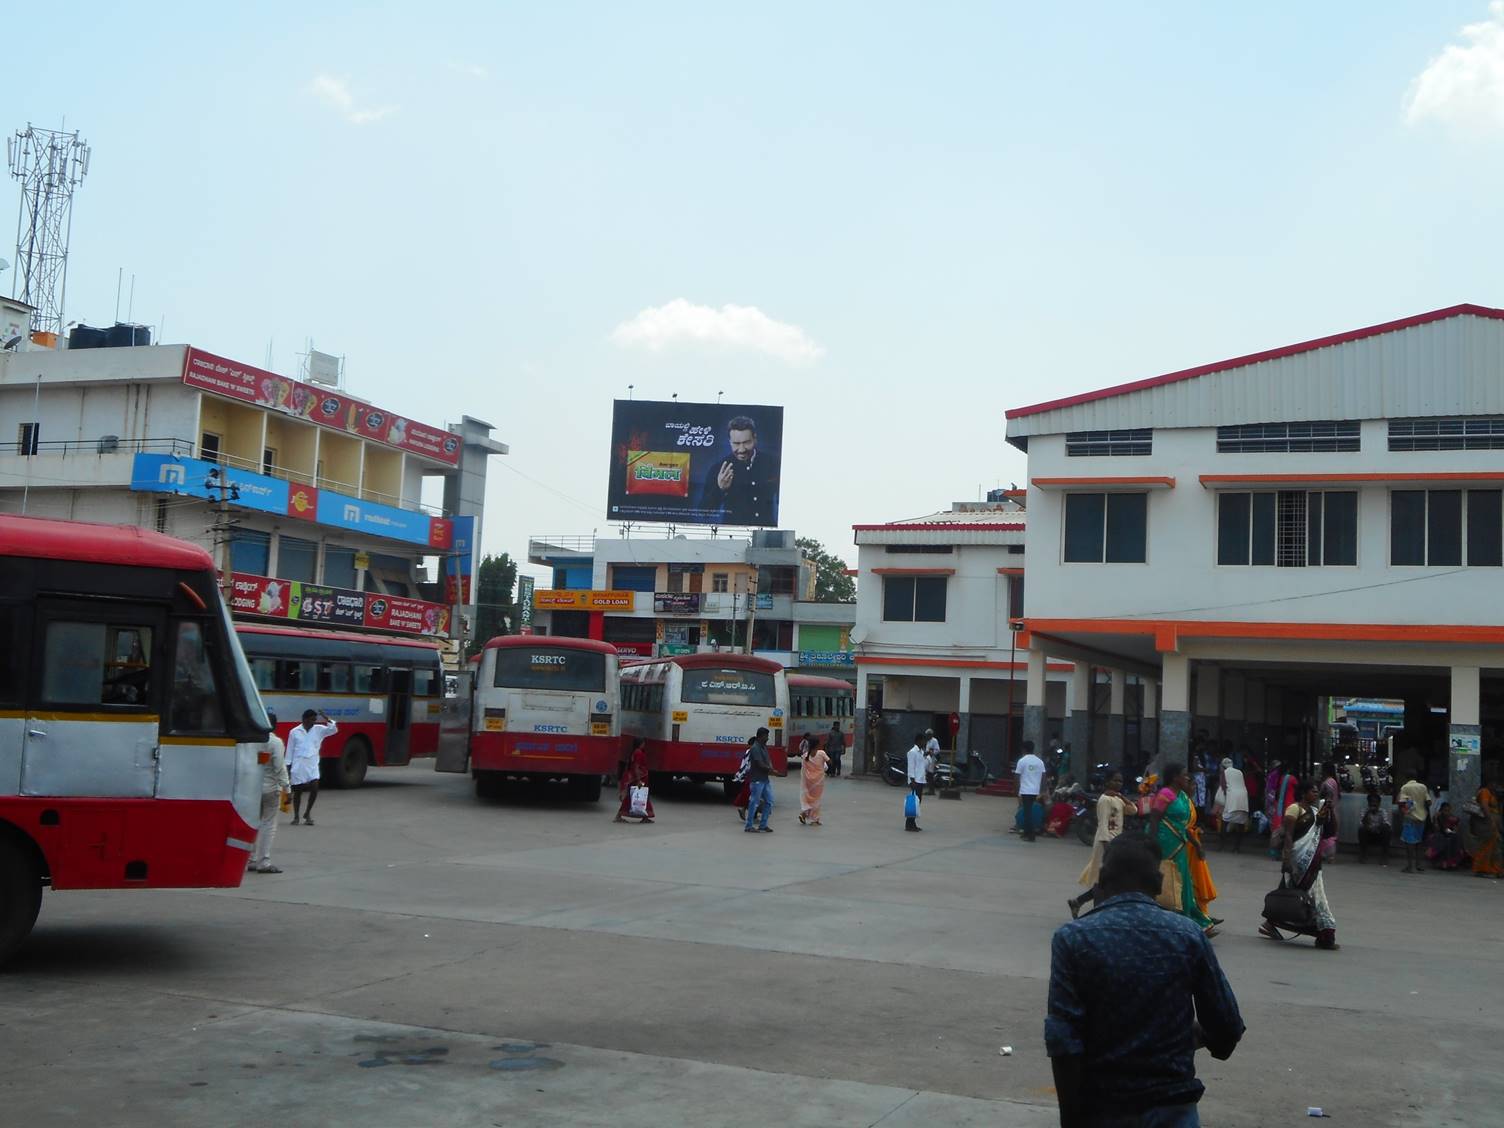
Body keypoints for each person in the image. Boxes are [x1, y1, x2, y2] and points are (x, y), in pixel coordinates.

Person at [1046, 836, 1245, 1128]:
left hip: (1103, 1106)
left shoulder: (1073, 939)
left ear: (1100, 881)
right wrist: (1185, 1038)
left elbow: (1063, 1042)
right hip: (1173, 1106)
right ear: (1159, 883)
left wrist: (1071, 1121)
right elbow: (1227, 1026)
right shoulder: (1188, 935)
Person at [1261, 780, 1339, 950]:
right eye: (1313, 791)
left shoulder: (1316, 811)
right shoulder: (1294, 809)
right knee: (1314, 898)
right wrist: (1287, 859)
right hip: (1298, 859)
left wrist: (1330, 811)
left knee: (1296, 895)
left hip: (1313, 862)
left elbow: (1329, 831)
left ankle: (1271, 923)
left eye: (1318, 792)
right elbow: (1288, 835)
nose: (1316, 794)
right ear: (1304, 793)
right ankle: (1325, 935)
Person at [1151, 764, 1217, 936]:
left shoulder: (1181, 796)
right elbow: (1154, 819)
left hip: (1180, 843)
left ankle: (1190, 920)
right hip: (1165, 843)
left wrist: (1197, 845)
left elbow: (1184, 826)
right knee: (1169, 882)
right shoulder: (1165, 794)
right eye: (1184, 775)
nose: (1187, 778)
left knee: (1184, 883)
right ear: (1174, 777)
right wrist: (1152, 843)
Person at [1068, 772, 1135, 919]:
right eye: (1115, 781)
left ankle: (1079, 902)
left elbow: (1133, 810)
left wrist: (1121, 796)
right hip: (1105, 843)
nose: (1118, 784)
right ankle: (1096, 911)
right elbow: (1103, 823)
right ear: (1107, 782)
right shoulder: (1104, 800)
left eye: (1120, 781)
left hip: (1116, 842)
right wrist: (1107, 846)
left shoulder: (1117, 799)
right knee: (1103, 878)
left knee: (1107, 878)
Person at [695, 414, 778, 526]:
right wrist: (720, 489)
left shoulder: (773, 463)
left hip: (766, 535)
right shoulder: (718, 468)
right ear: (729, 441)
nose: (742, 449)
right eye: (736, 443)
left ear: (755, 438)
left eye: (747, 442)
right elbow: (703, 513)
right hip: (731, 535)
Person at [250, 712, 289, 874]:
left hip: (252, 788)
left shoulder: (252, 741)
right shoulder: (275, 742)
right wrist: (287, 788)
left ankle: (250, 859)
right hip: (271, 789)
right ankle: (263, 862)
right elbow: (279, 767)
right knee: (268, 825)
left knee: (253, 823)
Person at [286, 709, 337, 826]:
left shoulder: (319, 730)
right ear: (304, 719)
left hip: (312, 764)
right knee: (298, 792)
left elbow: (333, 729)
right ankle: (296, 816)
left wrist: (326, 718)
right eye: (312, 720)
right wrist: (288, 768)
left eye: (315, 720)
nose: (314, 722)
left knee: (314, 788)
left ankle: (307, 813)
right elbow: (289, 751)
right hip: (298, 765)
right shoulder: (294, 732)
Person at [614, 737, 654, 824]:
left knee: (641, 796)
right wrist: (639, 780)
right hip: (639, 779)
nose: (644, 745)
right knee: (638, 796)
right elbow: (636, 767)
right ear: (640, 743)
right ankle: (619, 815)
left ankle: (645, 817)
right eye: (643, 743)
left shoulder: (635, 752)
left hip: (639, 778)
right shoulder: (638, 753)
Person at [1398, 770, 1431, 874]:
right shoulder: (1423, 787)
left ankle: (1409, 866)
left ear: (1406, 778)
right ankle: (1418, 864)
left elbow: (1402, 803)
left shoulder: (1405, 788)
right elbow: (1429, 802)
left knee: (1409, 843)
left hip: (1409, 818)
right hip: (1421, 817)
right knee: (1418, 841)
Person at [1471, 769, 1502, 879]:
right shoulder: (1484, 791)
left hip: (1491, 824)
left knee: (1494, 847)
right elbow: (1484, 806)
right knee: (1486, 847)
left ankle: (1494, 869)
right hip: (1487, 825)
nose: (1496, 786)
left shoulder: (1490, 793)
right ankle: (1483, 869)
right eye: (1494, 783)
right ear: (1489, 783)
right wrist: (1491, 821)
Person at [1213, 758, 1249, 853]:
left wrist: (1223, 799)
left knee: (1225, 820)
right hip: (1243, 797)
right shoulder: (1239, 772)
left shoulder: (1224, 773)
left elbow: (1223, 786)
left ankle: (1221, 846)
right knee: (1240, 822)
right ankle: (1237, 848)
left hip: (1232, 797)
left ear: (1222, 766)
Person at [743, 727, 775, 833]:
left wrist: (770, 767)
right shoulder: (755, 748)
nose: (767, 738)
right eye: (766, 736)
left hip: (765, 779)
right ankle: (749, 825)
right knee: (754, 802)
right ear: (760, 736)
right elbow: (760, 763)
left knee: (769, 801)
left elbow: (768, 760)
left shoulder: (763, 747)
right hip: (757, 779)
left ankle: (763, 824)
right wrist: (771, 770)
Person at [1015, 740, 1046, 843]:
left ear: (1023, 749)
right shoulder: (1040, 761)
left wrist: (1017, 791)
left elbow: (1017, 777)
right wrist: (1043, 791)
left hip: (1025, 790)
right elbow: (1044, 777)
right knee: (1028, 811)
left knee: (1027, 813)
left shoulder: (1022, 761)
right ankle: (1026, 833)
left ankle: (1031, 835)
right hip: (1035, 791)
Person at [1426, 802, 1468, 871]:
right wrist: (1436, 819)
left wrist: (1452, 831)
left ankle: (1452, 863)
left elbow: (1455, 829)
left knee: (1456, 839)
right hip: (1439, 834)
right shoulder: (1438, 817)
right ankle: (1441, 863)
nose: (1447, 813)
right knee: (1440, 840)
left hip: (1450, 834)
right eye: (1445, 810)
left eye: (1448, 810)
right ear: (1441, 810)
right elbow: (1436, 829)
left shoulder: (1453, 818)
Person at [799, 733, 829, 826]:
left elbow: (803, 769)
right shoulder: (821, 753)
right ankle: (814, 819)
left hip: (808, 781)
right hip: (818, 781)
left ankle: (804, 814)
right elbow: (829, 762)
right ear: (818, 744)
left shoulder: (805, 755)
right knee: (816, 800)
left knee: (809, 798)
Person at [1357, 790, 1391, 866]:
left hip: (1379, 835)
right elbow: (1362, 823)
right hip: (1368, 835)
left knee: (1386, 829)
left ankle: (1384, 856)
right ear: (1368, 803)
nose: (1373, 804)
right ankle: (1363, 854)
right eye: (1371, 802)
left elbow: (1387, 823)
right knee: (1361, 829)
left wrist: (1378, 828)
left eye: (1375, 802)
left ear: (1379, 803)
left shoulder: (1382, 812)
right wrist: (1368, 813)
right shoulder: (1364, 811)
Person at [1319, 762, 1342, 862]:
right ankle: (1329, 854)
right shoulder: (1333, 781)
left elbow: (1327, 798)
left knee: (1326, 832)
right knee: (1331, 832)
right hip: (1333, 810)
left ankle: (1326, 853)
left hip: (1328, 811)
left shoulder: (1328, 783)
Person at [905, 730, 926, 832]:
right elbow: (911, 767)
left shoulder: (921, 752)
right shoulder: (912, 752)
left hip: (921, 780)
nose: (924, 743)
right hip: (915, 781)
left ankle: (912, 823)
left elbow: (922, 765)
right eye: (923, 741)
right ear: (918, 741)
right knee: (913, 803)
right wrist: (912, 781)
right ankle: (909, 824)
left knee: (917, 803)